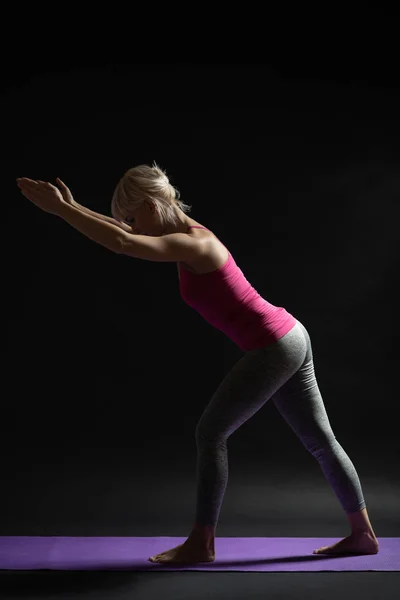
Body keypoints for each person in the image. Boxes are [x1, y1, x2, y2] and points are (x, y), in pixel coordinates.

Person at [17, 163, 379, 565]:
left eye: (134, 216)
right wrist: (71, 206)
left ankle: (201, 543)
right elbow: (126, 234)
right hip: (288, 336)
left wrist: (62, 212)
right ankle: (363, 535)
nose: (132, 226)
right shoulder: (183, 234)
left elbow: (122, 242)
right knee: (319, 442)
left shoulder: (196, 244)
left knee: (211, 433)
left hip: (276, 344)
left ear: (153, 205)